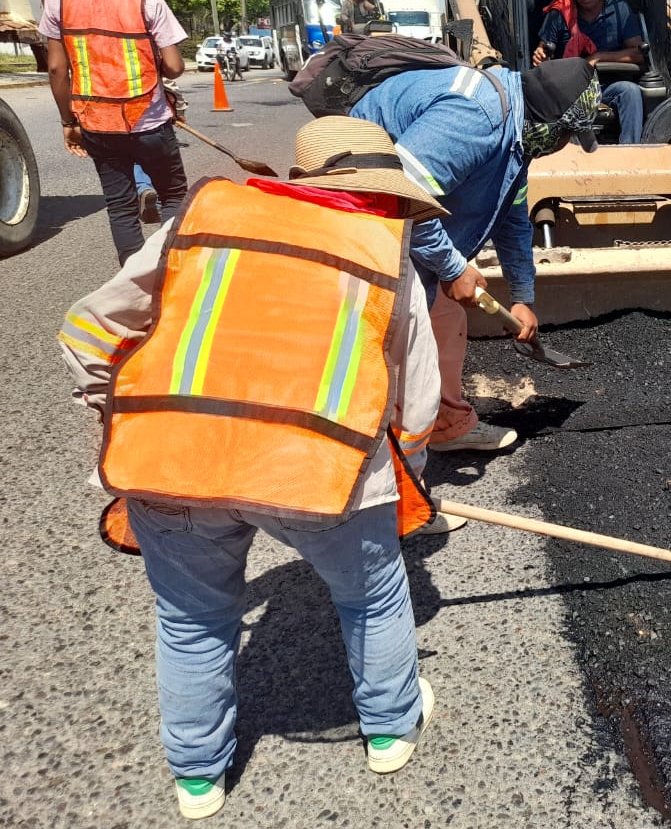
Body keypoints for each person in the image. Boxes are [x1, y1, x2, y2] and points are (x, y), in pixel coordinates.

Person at [58, 116, 452, 820]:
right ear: (381, 193)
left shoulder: (205, 221)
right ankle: (391, 730)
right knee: (371, 595)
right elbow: (416, 408)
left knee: (191, 620)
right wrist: (402, 481)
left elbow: (87, 328)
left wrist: (119, 412)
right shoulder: (386, 257)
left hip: (172, 462)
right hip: (323, 475)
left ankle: (198, 779)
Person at [351, 57, 600, 452]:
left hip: (398, 213)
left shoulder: (517, 136)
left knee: (443, 315)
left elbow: (513, 216)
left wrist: (522, 297)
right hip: (363, 209)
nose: (563, 145)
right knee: (397, 337)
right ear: (551, 122)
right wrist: (451, 267)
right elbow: (400, 193)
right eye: (566, 135)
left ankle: (444, 426)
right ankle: (380, 455)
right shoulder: (477, 116)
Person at [40, 0, 190, 265]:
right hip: (149, 119)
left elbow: (58, 70)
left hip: (95, 121)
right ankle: (168, 271)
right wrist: (152, 62)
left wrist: (68, 122)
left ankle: (132, 282)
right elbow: (174, 67)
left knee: (120, 206)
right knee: (173, 195)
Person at [532, 0, 644, 144]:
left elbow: (638, 54)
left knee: (631, 92)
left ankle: (629, 154)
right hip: (569, 88)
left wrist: (598, 57)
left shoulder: (620, 10)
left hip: (607, 86)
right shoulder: (560, 12)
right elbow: (542, 51)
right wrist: (540, 56)